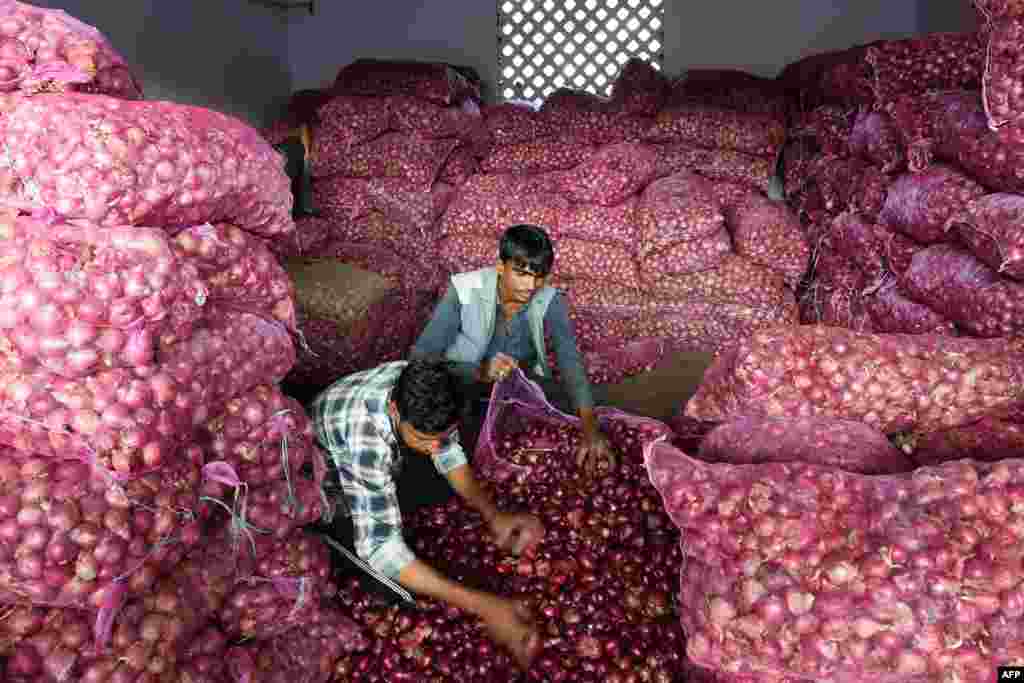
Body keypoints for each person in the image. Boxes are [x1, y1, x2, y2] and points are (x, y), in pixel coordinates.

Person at [310, 358, 544, 668]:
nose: (436, 447)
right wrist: (485, 606)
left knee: (430, 472)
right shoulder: (365, 440)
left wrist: (493, 514)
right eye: (424, 439)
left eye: (441, 437)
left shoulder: (425, 385)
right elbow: (380, 548)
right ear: (394, 410)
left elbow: (446, 449)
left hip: (370, 445)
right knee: (389, 587)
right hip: (320, 482)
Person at [411, 224, 614, 474]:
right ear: (500, 266)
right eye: (520, 273)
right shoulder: (464, 289)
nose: (530, 286)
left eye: (539, 277)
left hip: (514, 389)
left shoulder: (550, 300)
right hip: (458, 384)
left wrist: (590, 431)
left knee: (579, 416)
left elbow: (570, 360)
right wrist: (478, 371)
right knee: (450, 452)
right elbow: (422, 357)